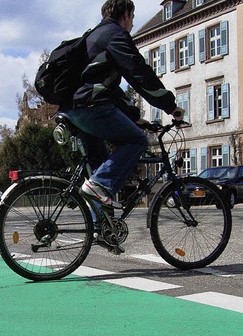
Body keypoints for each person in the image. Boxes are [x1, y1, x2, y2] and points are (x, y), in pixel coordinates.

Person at [65, 0, 185, 209]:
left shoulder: (93, 36)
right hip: (91, 107)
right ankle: (99, 185)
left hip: (75, 107)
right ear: (127, 14)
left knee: (100, 164)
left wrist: (133, 116)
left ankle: (100, 229)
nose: (132, 24)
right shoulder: (115, 35)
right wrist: (169, 104)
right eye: (133, 18)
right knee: (137, 141)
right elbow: (138, 73)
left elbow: (107, 87)